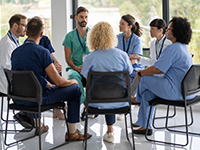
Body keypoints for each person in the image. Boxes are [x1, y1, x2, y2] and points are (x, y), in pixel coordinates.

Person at [11, 17, 92, 140]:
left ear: (26, 32)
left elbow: (28, 79)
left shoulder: (15, 52)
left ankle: (40, 125)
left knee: (36, 89)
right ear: (42, 34)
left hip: (18, 99)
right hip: (38, 99)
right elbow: (58, 81)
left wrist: (47, 84)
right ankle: (72, 132)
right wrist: (73, 81)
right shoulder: (43, 52)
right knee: (75, 90)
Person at [132, 17, 195, 135]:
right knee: (148, 94)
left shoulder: (172, 48)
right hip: (187, 92)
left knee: (144, 78)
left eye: (169, 28)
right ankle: (145, 126)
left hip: (177, 91)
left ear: (176, 32)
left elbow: (157, 69)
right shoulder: (183, 47)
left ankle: (136, 100)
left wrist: (140, 73)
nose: (167, 30)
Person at [81, 21, 133, 143]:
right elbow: (129, 74)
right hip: (121, 102)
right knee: (112, 89)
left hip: (95, 102)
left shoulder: (90, 58)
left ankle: (110, 131)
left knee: (103, 90)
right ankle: (110, 131)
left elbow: (87, 80)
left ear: (92, 37)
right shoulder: (123, 55)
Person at [62, 6, 95, 120]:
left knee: (96, 76)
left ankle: (92, 105)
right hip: (74, 67)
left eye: (86, 17)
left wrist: (87, 67)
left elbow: (97, 54)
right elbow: (67, 58)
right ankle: (85, 103)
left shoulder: (93, 34)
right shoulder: (69, 36)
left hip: (90, 67)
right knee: (74, 77)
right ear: (76, 18)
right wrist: (76, 68)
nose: (84, 19)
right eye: (81, 17)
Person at [130, 18, 172, 104]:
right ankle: (132, 99)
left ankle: (134, 99)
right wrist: (139, 58)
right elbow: (153, 62)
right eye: (150, 29)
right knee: (139, 73)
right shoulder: (153, 43)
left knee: (141, 75)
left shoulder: (169, 43)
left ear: (160, 30)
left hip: (165, 74)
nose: (150, 31)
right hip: (156, 72)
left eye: (152, 29)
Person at [116, 14, 144, 120]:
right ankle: (123, 103)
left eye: (122, 24)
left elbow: (133, 60)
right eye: (120, 23)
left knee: (131, 75)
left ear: (129, 26)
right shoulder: (117, 38)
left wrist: (124, 68)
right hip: (120, 66)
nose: (120, 25)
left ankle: (126, 104)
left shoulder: (136, 40)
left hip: (133, 66)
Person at [0, 14, 27, 95]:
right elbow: (7, 67)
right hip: (6, 86)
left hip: (15, 83)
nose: (26, 29)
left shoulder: (17, 42)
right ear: (15, 25)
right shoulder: (6, 43)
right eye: (24, 25)